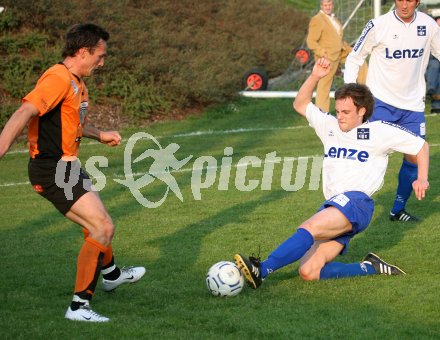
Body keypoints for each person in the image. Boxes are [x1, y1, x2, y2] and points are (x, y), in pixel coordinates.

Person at [234, 57, 429, 289]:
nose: (340, 116)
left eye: (346, 111)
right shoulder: (330, 126)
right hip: (334, 204)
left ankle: (262, 270)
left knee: (309, 227)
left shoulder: (380, 132)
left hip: (357, 203)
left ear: (362, 111)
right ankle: (370, 267)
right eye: (338, 111)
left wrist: (422, 177)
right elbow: (300, 104)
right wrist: (316, 75)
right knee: (309, 271)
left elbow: (421, 146)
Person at [0, 23, 146, 322]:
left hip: (67, 167)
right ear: (83, 51)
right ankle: (79, 307)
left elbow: (71, 125)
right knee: (102, 227)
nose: (102, 62)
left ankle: (112, 273)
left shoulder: (77, 82)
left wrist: (99, 134)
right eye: (100, 55)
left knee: (97, 224)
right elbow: (24, 112)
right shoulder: (57, 79)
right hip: (52, 168)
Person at [344, 0, 440, 222]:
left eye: (409, 0)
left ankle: (397, 210)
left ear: (417, 2)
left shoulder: (428, 25)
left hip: (413, 107)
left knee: (415, 158)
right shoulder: (378, 25)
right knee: (368, 158)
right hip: (381, 104)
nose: (403, 4)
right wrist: (351, 93)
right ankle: (348, 206)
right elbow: (354, 57)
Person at [306, 0, 368, 112]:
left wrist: (350, 50)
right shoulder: (317, 19)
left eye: (329, 5)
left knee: (361, 62)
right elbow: (311, 41)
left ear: (333, 5)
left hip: (341, 51)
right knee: (324, 87)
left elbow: (337, 37)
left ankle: (361, 94)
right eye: (325, 5)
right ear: (321, 6)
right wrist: (323, 53)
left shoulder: (334, 18)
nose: (328, 7)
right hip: (327, 57)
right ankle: (321, 115)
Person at [426, 15, 440, 114]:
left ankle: (431, 89)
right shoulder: (430, 33)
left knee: (435, 67)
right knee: (434, 65)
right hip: (431, 59)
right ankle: (436, 104)